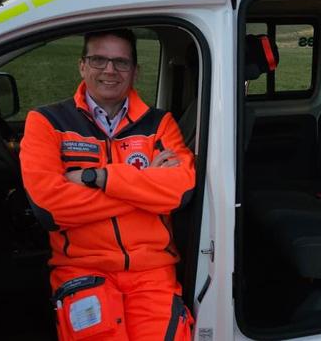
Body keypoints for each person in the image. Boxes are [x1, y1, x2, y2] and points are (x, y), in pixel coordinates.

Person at [20, 28, 196, 340]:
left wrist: (99, 178)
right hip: (83, 271)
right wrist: (146, 187)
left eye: (121, 62)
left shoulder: (160, 123)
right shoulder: (46, 122)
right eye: (99, 60)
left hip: (152, 272)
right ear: (82, 65)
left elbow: (180, 191)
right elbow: (50, 209)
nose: (110, 71)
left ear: (136, 71)